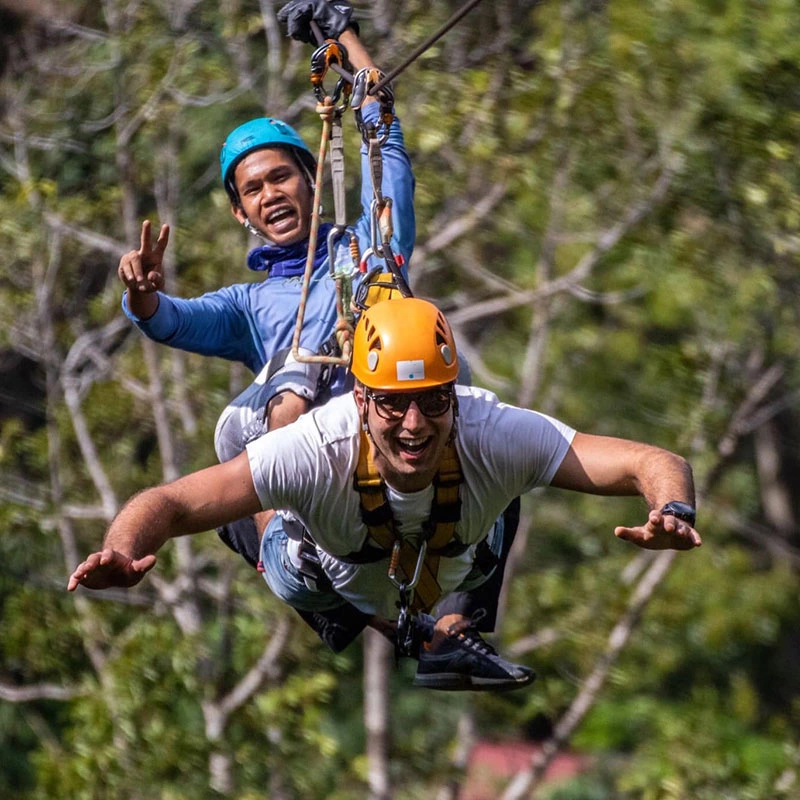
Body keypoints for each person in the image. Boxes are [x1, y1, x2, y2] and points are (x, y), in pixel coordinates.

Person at [112, 0, 525, 686]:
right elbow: (171, 322)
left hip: (394, 429)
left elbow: (383, 136)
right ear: (240, 213)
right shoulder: (247, 306)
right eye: (253, 188)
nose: (270, 193)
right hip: (321, 462)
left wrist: (343, 37)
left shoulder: (369, 250)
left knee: (494, 437)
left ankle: (451, 636)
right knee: (273, 405)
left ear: (310, 179)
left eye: (280, 176)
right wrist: (143, 294)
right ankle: (343, 595)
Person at [69, 297, 702, 691]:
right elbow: (172, 502)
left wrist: (670, 506)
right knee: (274, 522)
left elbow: (651, 461)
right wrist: (124, 551)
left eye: (433, 402)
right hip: (327, 570)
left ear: (453, 393)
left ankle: (446, 635)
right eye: (394, 406)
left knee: (505, 489)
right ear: (362, 398)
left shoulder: (495, 431)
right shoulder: (320, 445)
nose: (415, 424)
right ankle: (264, 477)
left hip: (451, 556)